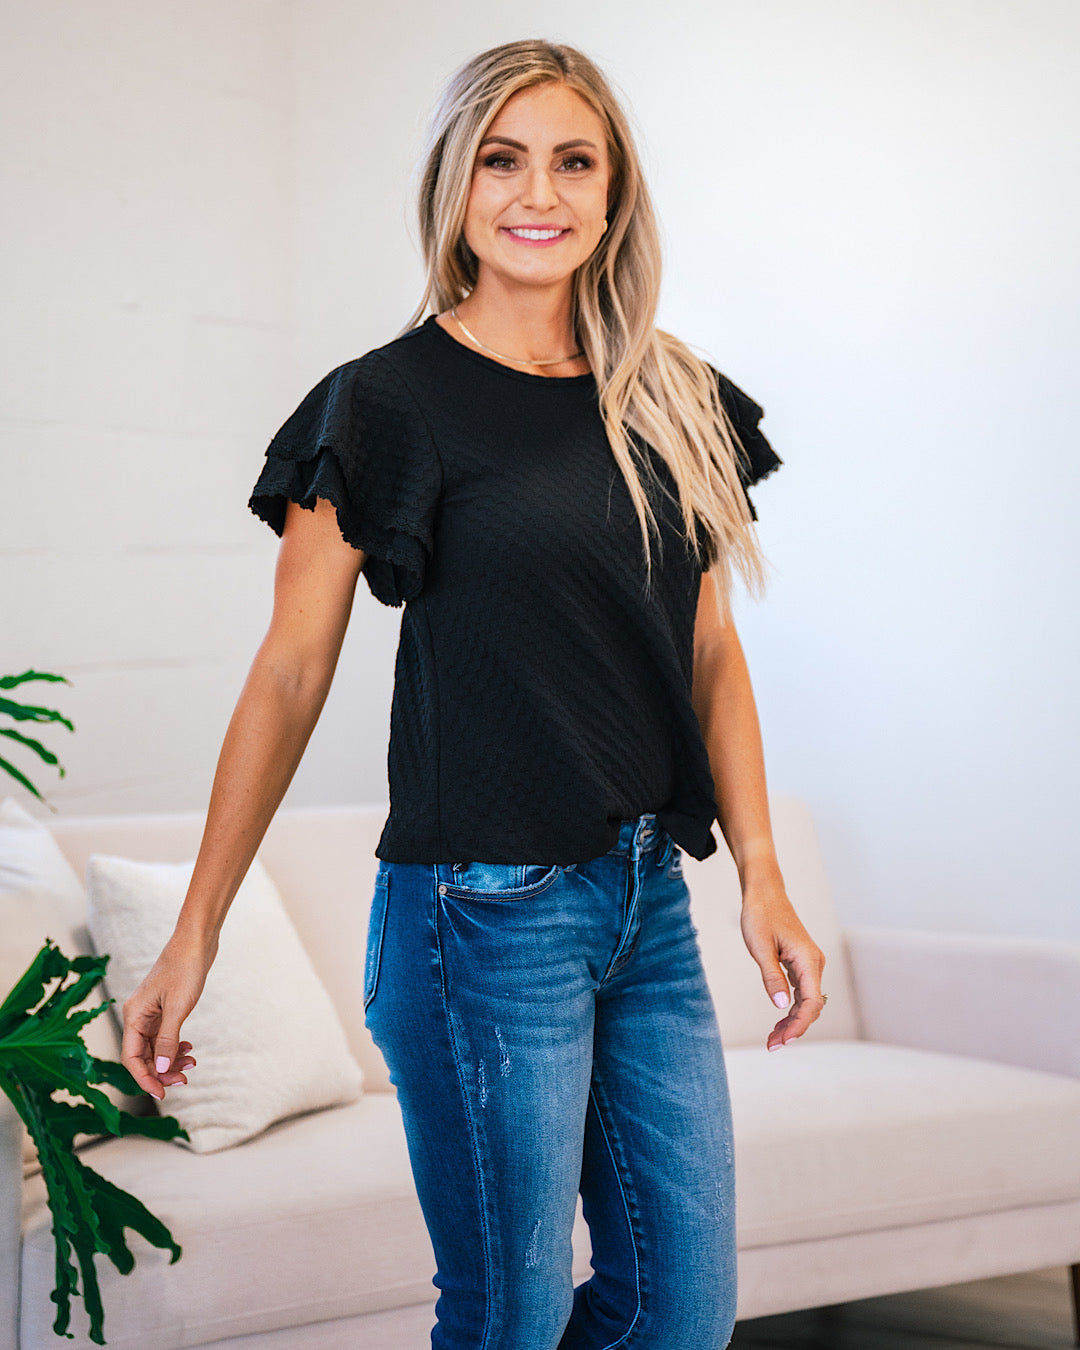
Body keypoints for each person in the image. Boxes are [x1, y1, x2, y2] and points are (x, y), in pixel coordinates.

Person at [120, 37, 827, 1350]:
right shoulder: (385, 404)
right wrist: (195, 928)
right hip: (478, 922)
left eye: (574, 162)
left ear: (614, 194)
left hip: (645, 905)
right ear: (455, 184)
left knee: (680, 1311)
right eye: (502, 160)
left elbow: (713, 655)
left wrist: (766, 876)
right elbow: (290, 671)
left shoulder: (671, 396)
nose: (537, 193)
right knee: (507, 1315)